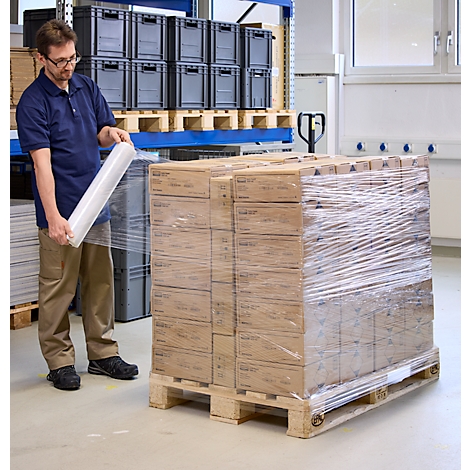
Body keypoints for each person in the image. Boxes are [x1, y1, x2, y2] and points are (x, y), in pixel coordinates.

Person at [16, 19, 139, 391]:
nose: (69, 67)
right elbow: (41, 164)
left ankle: (103, 354)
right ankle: (59, 361)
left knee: (100, 283)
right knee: (58, 287)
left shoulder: (86, 87)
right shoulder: (33, 103)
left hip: (95, 204)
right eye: (60, 61)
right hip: (63, 211)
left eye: (73, 58)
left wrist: (112, 134)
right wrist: (53, 217)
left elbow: (101, 131)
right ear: (41, 59)